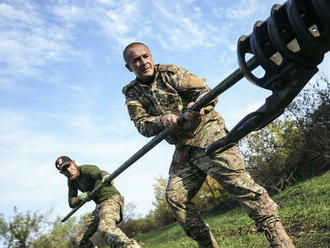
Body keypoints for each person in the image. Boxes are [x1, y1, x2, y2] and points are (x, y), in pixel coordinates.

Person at [121, 42, 295, 248]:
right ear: (129, 67)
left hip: (209, 135)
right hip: (184, 149)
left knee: (241, 186)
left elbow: (206, 92)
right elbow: (142, 125)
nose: (143, 62)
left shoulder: (170, 73)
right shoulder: (131, 92)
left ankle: (280, 241)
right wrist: (162, 120)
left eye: (145, 56)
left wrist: (197, 107)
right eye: (136, 60)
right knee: (176, 198)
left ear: (151, 56)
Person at [55, 156, 140, 248]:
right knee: (76, 240)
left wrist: (106, 176)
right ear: (62, 173)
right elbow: (71, 202)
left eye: (69, 165)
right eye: (64, 169)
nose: (69, 170)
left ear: (74, 162)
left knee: (105, 228)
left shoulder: (86, 169)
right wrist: (80, 198)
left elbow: (100, 173)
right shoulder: (71, 181)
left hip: (112, 199)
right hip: (99, 207)